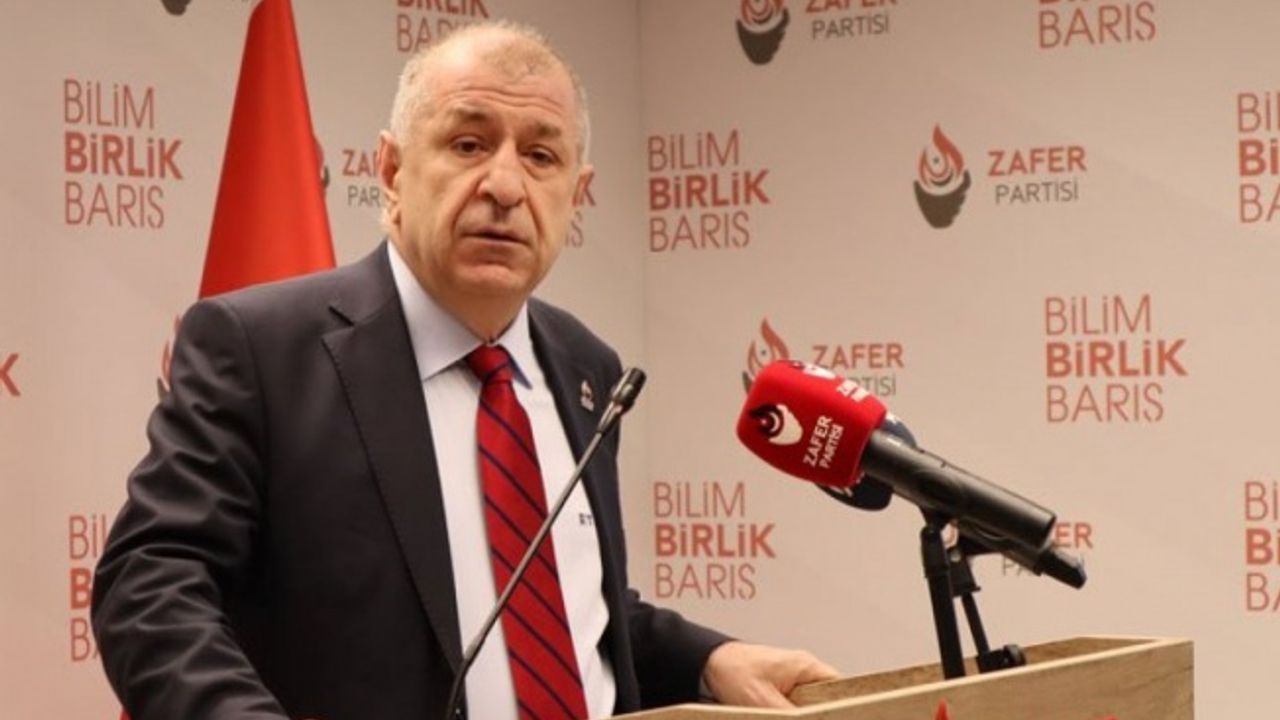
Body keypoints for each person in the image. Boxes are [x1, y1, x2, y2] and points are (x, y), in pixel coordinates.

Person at [92, 20, 837, 720]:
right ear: (391, 171)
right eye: (470, 144)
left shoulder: (587, 366)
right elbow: (149, 584)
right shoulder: (262, 348)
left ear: (576, 195)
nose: (505, 187)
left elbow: (562, 610)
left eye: (541, 157)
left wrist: (710, 659)